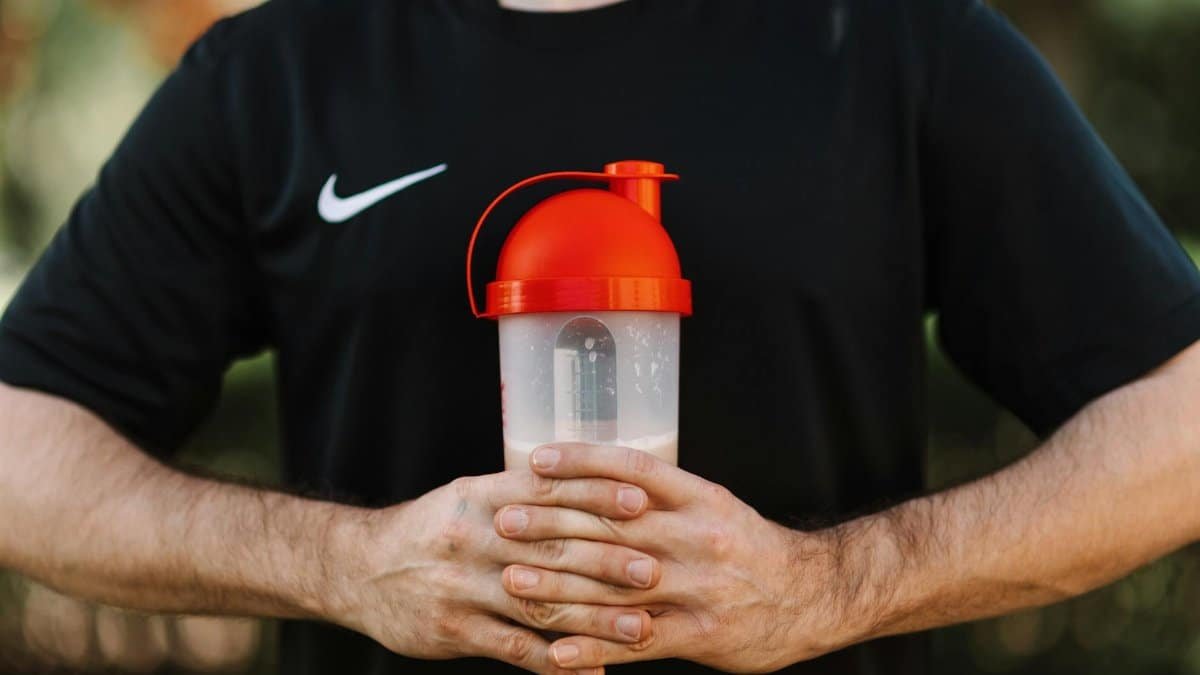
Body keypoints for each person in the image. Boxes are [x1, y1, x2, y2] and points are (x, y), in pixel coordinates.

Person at [1, 0, 1198, 673]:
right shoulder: (278, 69)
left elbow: (1180, 425)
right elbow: (20, 454)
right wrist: (345, 565)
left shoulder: (898, 41)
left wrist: (828, 589)